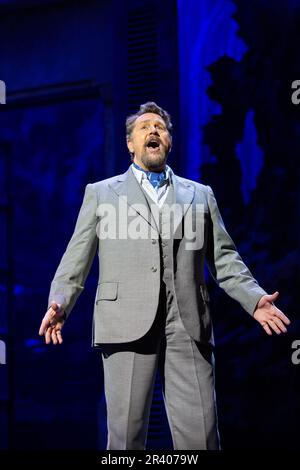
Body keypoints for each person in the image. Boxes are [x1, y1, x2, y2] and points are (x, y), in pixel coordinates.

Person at [39, 102, 291, 450]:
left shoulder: (199, 195)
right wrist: (60, 302)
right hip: (124, 321)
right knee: (126, 438)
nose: (153, 131)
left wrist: (254, 298)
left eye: (160, 127)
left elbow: (225, 258)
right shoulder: (101, 193)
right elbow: (76, 256)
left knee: (201, 436)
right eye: (144, 127)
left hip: (187, 322)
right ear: (130, 144)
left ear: (169, 141)